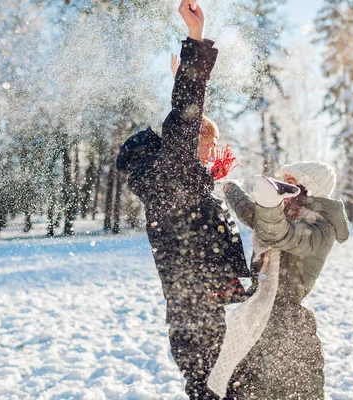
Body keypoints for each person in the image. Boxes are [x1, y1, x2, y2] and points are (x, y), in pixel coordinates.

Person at [116, 1, 249, 398]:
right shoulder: (173, 178)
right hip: (195, 315)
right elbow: (185, 117)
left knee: (222, 383)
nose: (213, 155)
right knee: (211, 387)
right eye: (206, 147)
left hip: (201, 306)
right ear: (185, 146)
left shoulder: (181, 180)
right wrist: (195, 40)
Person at [219, 161, 350, 399]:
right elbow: (255, 215)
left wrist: (269, 203)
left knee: (292, 389)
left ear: (307, 189)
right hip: (261, 313)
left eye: (288, 184)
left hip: (287, 323)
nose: (281, 189)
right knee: (245, 388)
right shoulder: (285, 213)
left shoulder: (320, 229)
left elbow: (278, 233)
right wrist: (231, 188)